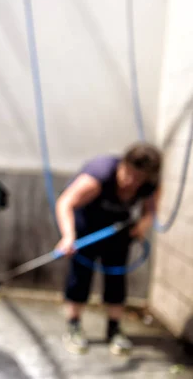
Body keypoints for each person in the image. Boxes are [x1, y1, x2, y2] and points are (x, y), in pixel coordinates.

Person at [54, 142, 162, 355]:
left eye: (138, 178)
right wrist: (68, 236)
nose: (131, 182)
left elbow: (151, 210)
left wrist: (142, 225)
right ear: (122, 164)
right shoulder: (99, 175)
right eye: (128, 174)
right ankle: (74, 325)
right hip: (86, 228)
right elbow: (65, 202)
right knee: (80, 276)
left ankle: (114, 329)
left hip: (118, 228)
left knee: (116, 278)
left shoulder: (149, 184)